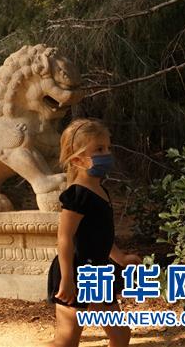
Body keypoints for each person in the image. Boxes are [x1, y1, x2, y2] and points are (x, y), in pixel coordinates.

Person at [48, 118, 142, 347]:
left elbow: (97, 234)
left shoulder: (99, 189)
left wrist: (119, 257)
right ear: (78, 158)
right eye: (99, 149)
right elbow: (66, 237)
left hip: (98, 274)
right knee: (67, 340)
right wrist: (68, 278)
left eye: (108, 147)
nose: (106, 154)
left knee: (120, 336)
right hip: (76, 273)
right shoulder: (77, 195)